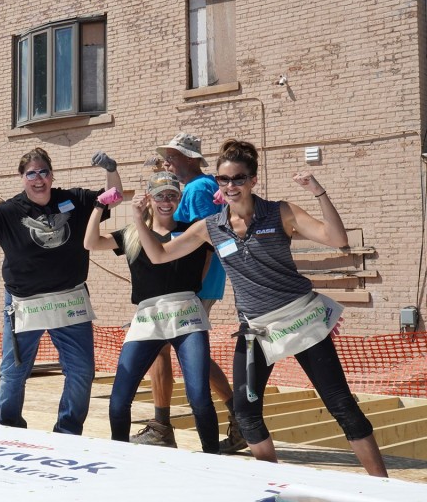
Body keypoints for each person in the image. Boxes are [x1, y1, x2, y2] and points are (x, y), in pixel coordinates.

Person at [132, 139, 387, 477]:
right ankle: (275, 482)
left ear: (253, 180)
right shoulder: (212, 226)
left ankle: (382, 487)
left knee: (341, 406)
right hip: (256, 332)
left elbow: (337, 239)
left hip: (301, 320)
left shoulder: (280, 213)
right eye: (224, 180)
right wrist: (138, 219)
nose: (231, 186)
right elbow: (160, 255)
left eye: (238, 178)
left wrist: (319, 192)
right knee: (247, 414)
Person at [0, 148, 123, 435]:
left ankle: (68, 430)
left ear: (51, 174)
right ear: (22, 178)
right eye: (30, 173)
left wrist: (111, 168)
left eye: (43, 172)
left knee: (81, 371)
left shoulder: (74, 200)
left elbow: (114, 197)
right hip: (25, 303)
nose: (38, 179)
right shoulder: (8, 212)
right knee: (14, 371)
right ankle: (9, 428)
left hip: (69, 300)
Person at [85, 172, 220, 453]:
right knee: (119, 399)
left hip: (185, 315)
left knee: (198, 396)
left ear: (179, 198)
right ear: (150, 198)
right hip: (148, 317)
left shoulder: (192, 230)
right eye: (160, 195)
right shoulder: (133, 232)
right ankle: (120, 454)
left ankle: (212, 455)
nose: (166, 201)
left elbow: (209, 261)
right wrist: (99, 206)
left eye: (172, 195)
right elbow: (91, 243)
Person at [134, 132, 244, 452]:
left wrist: (191, 288)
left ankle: (162, 426)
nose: (169, 160)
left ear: (191, 158)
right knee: (186, 352)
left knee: (160, 348)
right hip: (198, 285)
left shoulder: (196, 189)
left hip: (192, 286)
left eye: (174, 156)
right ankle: (237, 414)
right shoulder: (206, 185)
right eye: (168, 156)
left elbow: (203, 244)